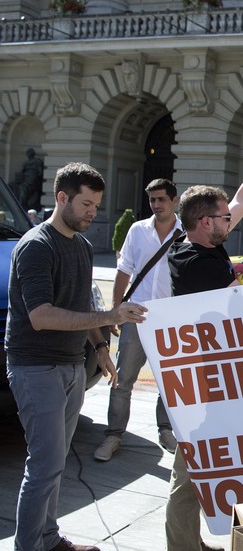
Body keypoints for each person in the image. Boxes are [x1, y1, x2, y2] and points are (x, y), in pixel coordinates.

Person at [5, 162, 148, 551]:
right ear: (62, 197)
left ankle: (47, 539)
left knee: (55, 464)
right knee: (45, 464)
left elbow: (80, 300)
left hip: (70, 365)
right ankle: (29, 545)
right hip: (36, 367)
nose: (92, 213)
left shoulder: (82, 246)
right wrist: (110, 316)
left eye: (96, 206)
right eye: (86, 204)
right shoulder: (36, 246)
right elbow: (41, 316)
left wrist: (100, 346)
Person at [164, 130, 243, 551]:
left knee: (200, 469)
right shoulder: (200, 265)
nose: (230, 220)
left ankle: (192, 543)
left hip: (210, 380)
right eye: (223, 219)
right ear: (206, 223)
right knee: (188, 476)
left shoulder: (192, 241)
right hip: (201, 389)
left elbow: (241, 198)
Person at [94, 178, 183, 462]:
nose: (156, 205)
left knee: (170, 381)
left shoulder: (186, 232)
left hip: (171, 319)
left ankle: (166, 430)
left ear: (174, 201)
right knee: (123, 379)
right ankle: (113, 434)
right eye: (152, 200)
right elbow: (124, 271)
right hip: (136, 314)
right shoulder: (137, 230)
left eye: (161, 199)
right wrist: (115, 310)